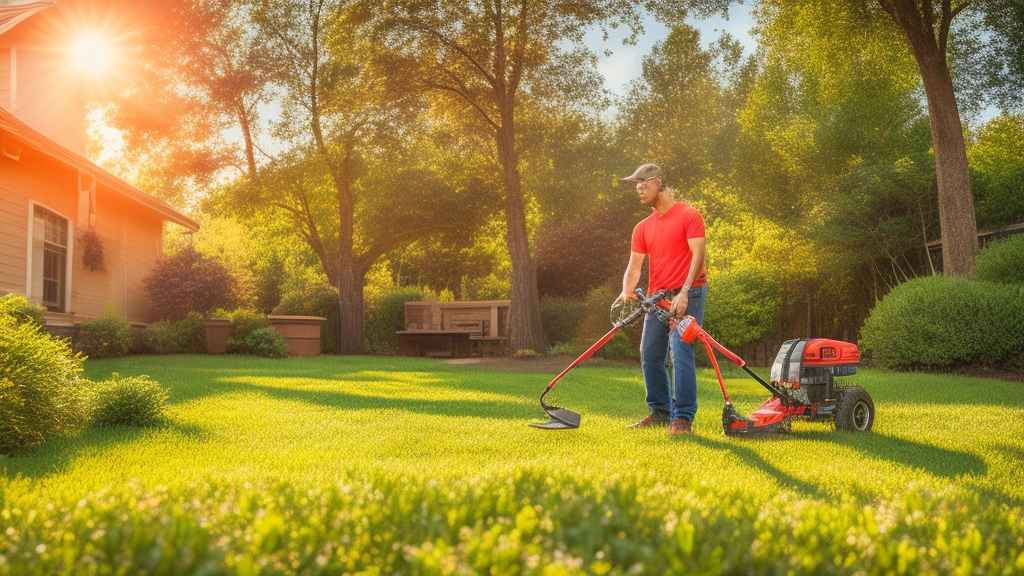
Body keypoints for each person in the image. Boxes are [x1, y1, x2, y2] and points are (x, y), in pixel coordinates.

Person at [615, 163, 707, 435]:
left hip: (689, 291)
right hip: (657, 297)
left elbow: (699, 255)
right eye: (636, 184)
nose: (638, 188)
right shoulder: (642, 227)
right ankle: (660, 411)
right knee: (650, 353)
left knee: (680, 350)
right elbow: (634, 267)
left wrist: (685, 291)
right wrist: (625, 292)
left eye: (642, 183)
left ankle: (683, 418)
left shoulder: (689, 215)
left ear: (657, 181)